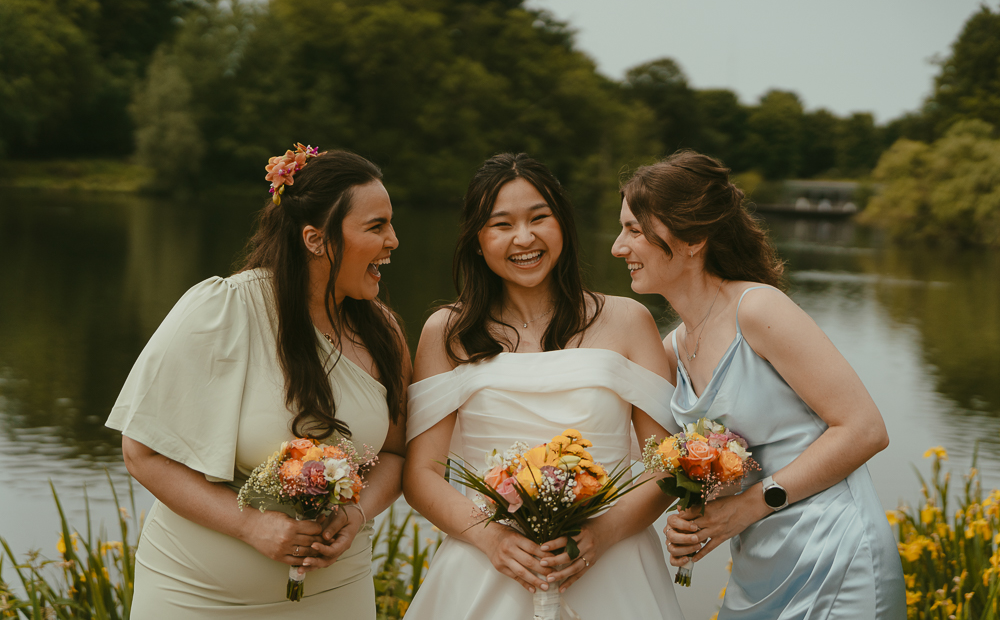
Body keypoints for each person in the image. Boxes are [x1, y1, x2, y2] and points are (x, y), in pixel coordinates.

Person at [105, 148, 410, 618]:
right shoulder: (220, 311)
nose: (393, 240)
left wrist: (357, 511)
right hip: (196, 596)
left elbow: (395, 453)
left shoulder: (383, 332)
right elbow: (142, 453)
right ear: (316, 239)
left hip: (335, 596)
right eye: (376, 226)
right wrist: (250, 525)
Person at [613, 150, 905, 619]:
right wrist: (696, 513)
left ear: (693, 239)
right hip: (756, 567)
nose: (617, 247)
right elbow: (641, 452)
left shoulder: (757, 309)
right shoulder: (672, 349)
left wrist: (751, 504)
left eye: (633, 230)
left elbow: (865, 429)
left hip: (836, 557)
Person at [402, 153, 685, 619]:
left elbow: (664, 465)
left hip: (613, 562)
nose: (524, 238)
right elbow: (421, 474)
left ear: (563, 226)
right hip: (486, 566)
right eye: (502, 224)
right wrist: (491, 538)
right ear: (477, 241)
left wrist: (601, 536)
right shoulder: (446, 332)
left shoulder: (629, 320)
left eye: (539, 218)